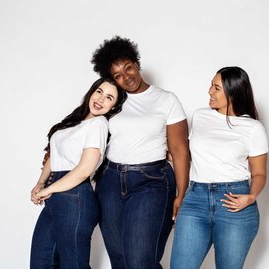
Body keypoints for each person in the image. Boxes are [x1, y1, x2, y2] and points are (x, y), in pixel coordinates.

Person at [91, 36, 190, 269]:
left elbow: (179, 150)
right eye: (118, 75)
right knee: (120, 261)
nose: (126, 77)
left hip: (152, 182)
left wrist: (181, 193)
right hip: (110, 183)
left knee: (140, 262)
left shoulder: (166, 100)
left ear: (136, 63)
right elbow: (84, 127)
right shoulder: (111, 102)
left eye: (128, 68)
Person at [171, 66, 269, 269]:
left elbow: (259, 173)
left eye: (216, 88)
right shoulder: (200, 116)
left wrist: (251, 197)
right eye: (211, 85)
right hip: (195, 199)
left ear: (232, 93)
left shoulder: (253, 128)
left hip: (233, 201)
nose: (209, 92)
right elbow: (186, 154)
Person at [30, 77, 127, 269]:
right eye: (99, 91)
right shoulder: (74, 122)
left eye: (109, 98)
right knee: (41, 263)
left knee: (73, 265)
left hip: (75, 198)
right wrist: (40, 183)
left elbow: (84, 170)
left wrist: (48, 189)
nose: (101, 99)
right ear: (92, 91)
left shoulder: (98, 124)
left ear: (114, 107)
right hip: (57, 194)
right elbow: (53, 155)